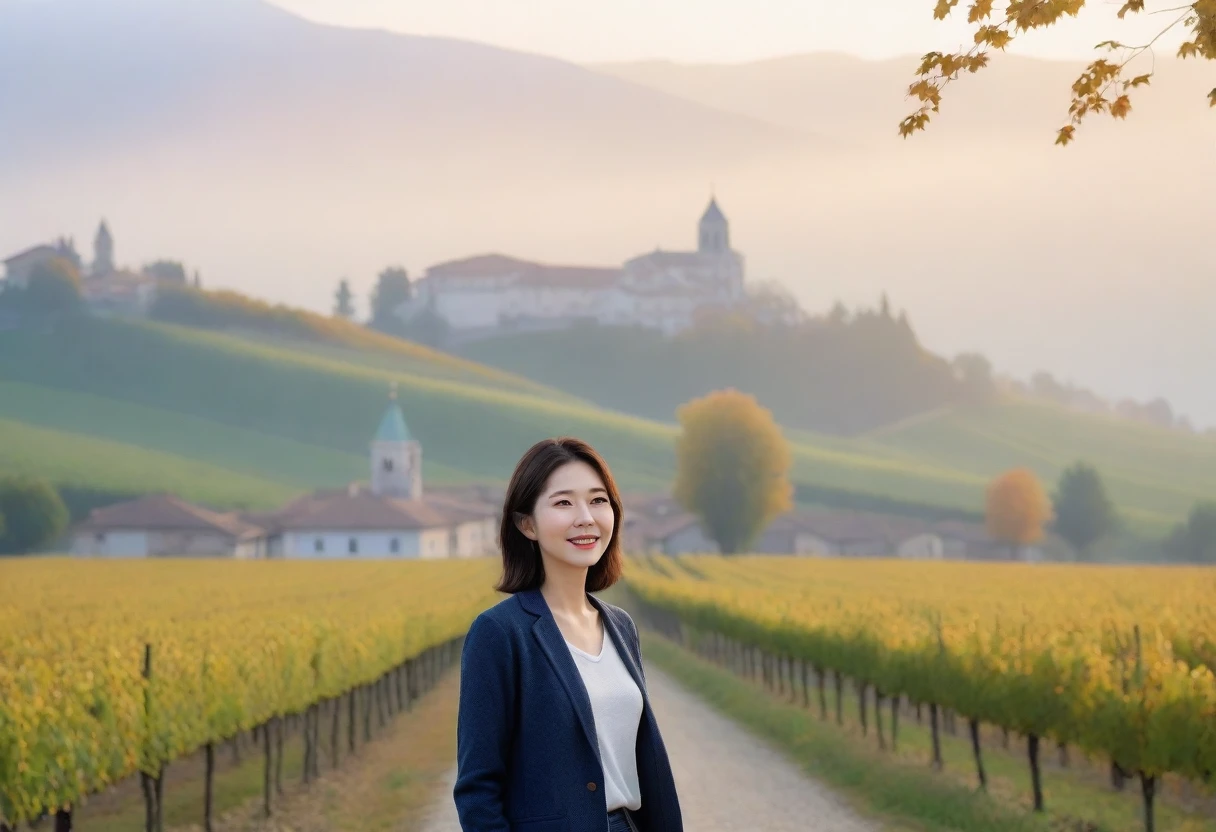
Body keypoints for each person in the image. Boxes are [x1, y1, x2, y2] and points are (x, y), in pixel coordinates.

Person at [453, 437, 684, 832]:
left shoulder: (620, 626)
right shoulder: (499, 633)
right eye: (563, 503)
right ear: (527, 524)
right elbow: (478, 791)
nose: (586, 518)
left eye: (598, 500)